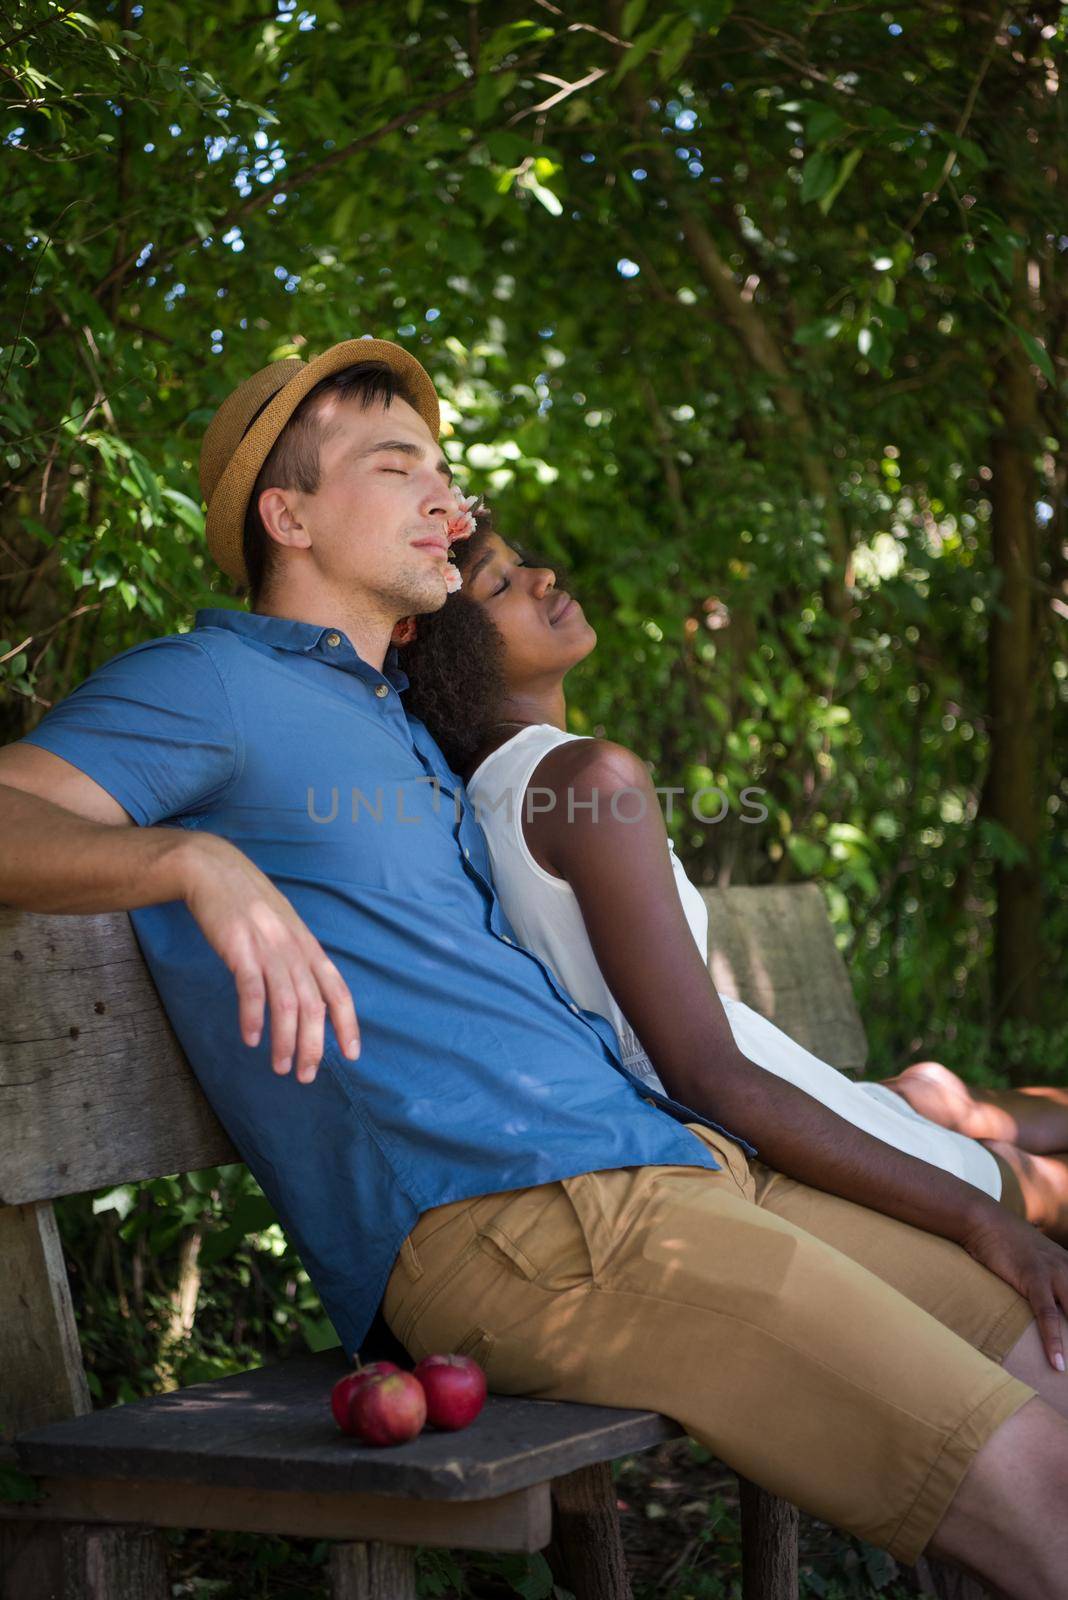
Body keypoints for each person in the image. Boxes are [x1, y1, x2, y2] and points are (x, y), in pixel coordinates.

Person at [0, 340, 1066, 1598]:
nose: (444, 499)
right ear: (286, 515)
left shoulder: (401, 716)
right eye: (398, 469)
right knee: (1041, 1488)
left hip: (684, 1175)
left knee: (1050, 1348)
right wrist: (190, 862)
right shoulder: (211, 683)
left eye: (443, 471)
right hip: (513, 1222)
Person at [398, 515, 1068, 1242]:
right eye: (502, 584)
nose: (543, 577)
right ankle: (935, 1109)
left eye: (524, 562)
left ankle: (931, 1101)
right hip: (763, 1115)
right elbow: (708, 1079)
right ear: (455, 659)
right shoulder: (590, 779)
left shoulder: (487, 793)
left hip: (783, 1084)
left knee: (977, 1123)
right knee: (1040, 1191)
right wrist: (973, 1215)